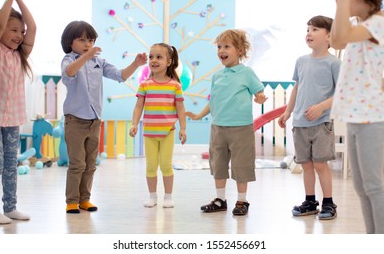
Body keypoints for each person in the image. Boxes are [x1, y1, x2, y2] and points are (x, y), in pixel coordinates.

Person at [61, 20, 147, 213]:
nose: (87, 44)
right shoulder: (68, 60)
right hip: (75, 120)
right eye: (82, 40)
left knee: (91, 164)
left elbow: (121, 75)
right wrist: (86, 56)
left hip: (94, 120)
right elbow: (70, 72)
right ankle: (72, 201)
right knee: (77, 163)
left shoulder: (100, 62)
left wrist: (136, 63)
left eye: (90, 40)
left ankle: (85, 199)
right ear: (69, 42)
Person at [186, 29, 267, 216]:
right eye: (219, 47)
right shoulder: (217, 76)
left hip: (241, 128)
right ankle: (220, 199)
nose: (221, 50)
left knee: (241, 165)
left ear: (240, 50)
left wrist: (260, 98)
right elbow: (213, 101)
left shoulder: (247, 73)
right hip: (218, 127)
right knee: (218, 164)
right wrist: (199, 115)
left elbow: (259, 92)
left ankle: (242, 200)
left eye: (227, 46)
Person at [330, 0, 384, 233]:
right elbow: (337, 38)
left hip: (373, 117)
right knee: (362, 187)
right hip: (357, 115)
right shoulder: (359, 24)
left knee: (374, 186)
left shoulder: (378, 23)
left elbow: (338, 39)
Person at [278, 15, 341, 220]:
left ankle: (329, 203)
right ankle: (310, 201)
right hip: (300, 123)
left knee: (321, 164)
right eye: (308, 29)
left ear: (329, 36)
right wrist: (288, 112)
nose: (309, 33)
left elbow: (341, 92)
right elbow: (297, 88)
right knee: (306, 164)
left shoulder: (334, 63)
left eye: (315, 30)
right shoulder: (301, 61)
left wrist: (321, 107)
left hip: (322, 123)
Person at [0, 0, 36, 224]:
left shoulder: (20, 54)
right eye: (14, 30)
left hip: (12, 118)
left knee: (11, 162)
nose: (20, 35)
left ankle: (10, 207)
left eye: (20, 32)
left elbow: (33, 28)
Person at [130, 43, 186, 208]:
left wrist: (183, 128)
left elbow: (181, 109)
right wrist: (134, 124)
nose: (153, 60)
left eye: (159, 57)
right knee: (151, 166)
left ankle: (168, 196)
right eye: (151, 57)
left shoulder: (175, 85)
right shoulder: (145, 85)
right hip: (149, 132)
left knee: (166, 165)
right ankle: (152, 196)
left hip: (167, 131)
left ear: (169, 62)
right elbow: (138, 106)